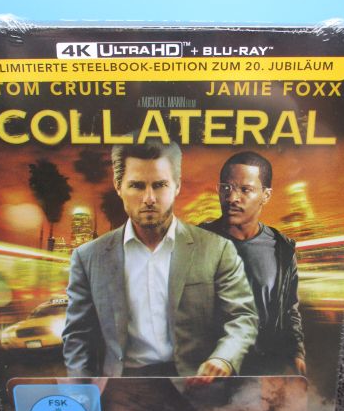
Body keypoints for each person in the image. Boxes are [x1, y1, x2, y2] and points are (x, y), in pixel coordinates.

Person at [62, 140, 257, 380]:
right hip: (123, 385)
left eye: (160, 185)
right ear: (118, 186)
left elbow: (242, 317)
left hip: (197, 384)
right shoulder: (88, 257)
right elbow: (78, 336)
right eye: (136, 185)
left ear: (177, 186)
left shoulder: (217, 249)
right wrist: (81, 390)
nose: (149, 198)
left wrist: (224, 358)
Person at [201, 151, 306, 376]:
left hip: (265, 368)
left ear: (266, 195)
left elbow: (289, 309)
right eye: (226, 188)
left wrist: (296, 352)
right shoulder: (196, 242)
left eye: (245, 189)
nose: (232, 198)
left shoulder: (282, 248)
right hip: (210, 368)